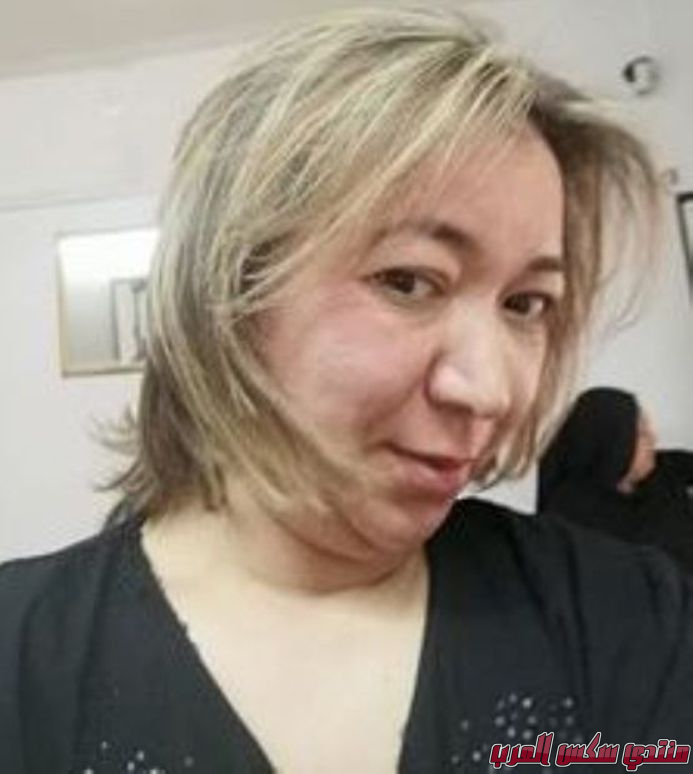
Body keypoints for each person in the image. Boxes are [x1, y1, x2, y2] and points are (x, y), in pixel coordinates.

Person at [1, 8, 690, 774]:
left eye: (525, 304)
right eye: (408, 281)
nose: (489, 390)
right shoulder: (22, 662)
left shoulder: (626, 619)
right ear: (231, 291)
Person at [538, 386, 693, 572]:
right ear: (615, 446)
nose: (654, 438)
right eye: (642, 434)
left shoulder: (660, 470)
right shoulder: (576, 524)